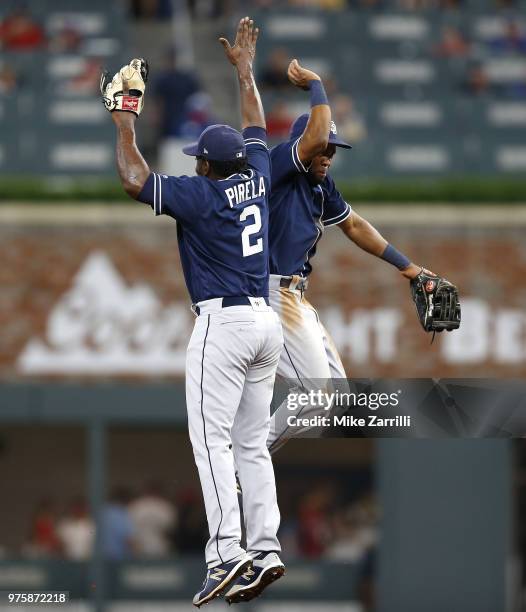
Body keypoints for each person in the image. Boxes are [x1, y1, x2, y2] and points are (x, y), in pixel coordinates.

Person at [102, 16, 284, 608]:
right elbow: (256, 125)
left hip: (226, 323)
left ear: (206, 164)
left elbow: (135, 180)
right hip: (267, 323)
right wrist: (245, 72)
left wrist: (125, 115)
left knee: (212, 443)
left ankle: (226, 551)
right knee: (251, 444)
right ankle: (266, 547)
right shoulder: (256, 177)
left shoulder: (203, 195)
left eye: (198, 159)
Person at [265, 61, 435, 452]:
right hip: (269, 293)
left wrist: (408, 268)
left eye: (333, 150)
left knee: (333, 396)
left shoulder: (321, 187)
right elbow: (314, 134)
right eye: (322, 148)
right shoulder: (279, 170)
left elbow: (355, 226)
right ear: (304, 147)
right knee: (316, 395)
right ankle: (247, 458)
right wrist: (317, 87)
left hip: (295, 296)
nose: (328, 155)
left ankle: (250, 458)